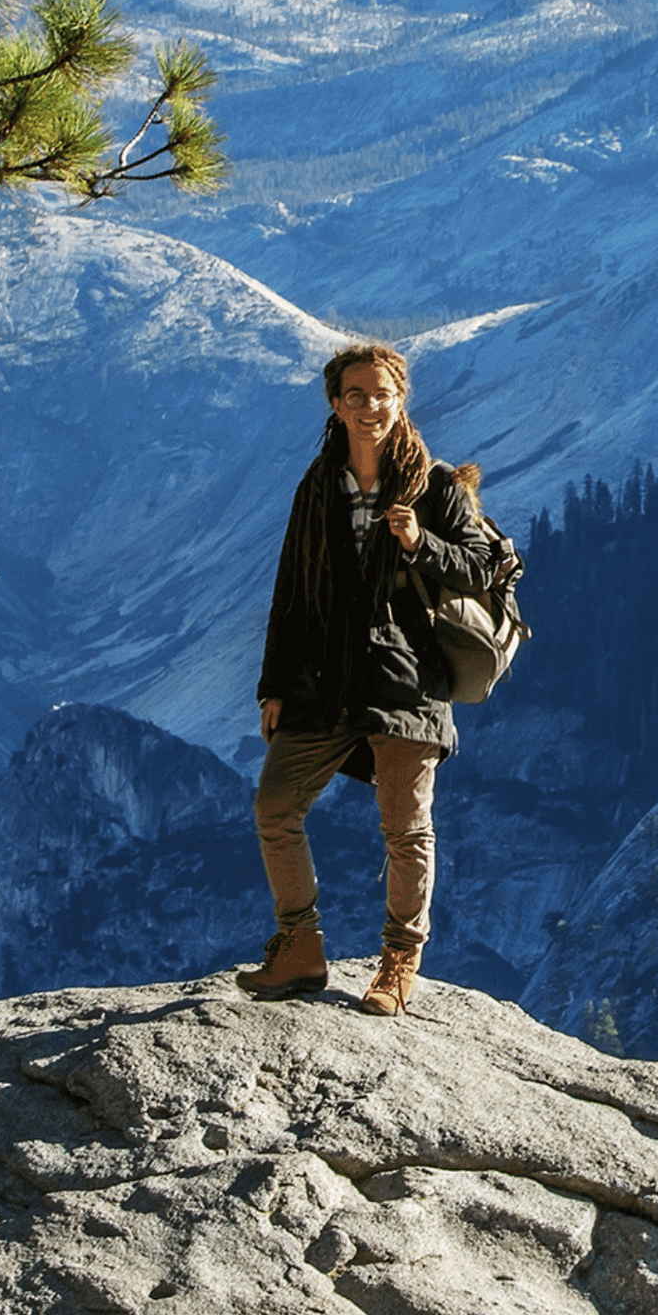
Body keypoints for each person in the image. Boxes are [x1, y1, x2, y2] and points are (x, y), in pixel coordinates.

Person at [236, 340, 508, 1017]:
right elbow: (290, 592)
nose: (367, 407)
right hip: (323, 683)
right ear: (335, 403)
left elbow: (490, 570)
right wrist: (274, 686)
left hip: (405, 684)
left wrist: (423, 542)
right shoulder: (318, 486)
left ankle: (398, 963)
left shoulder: (435, 486)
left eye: (380, 393)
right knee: (275, 806)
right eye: (354, 395)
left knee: (406, 830)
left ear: (401, 398)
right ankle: (300, 947)